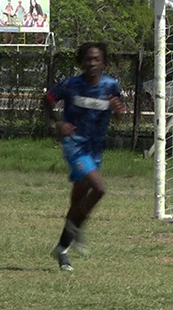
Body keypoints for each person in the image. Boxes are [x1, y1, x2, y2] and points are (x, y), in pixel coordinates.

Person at [46, 42, 124, 272]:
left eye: (96, 59)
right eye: (88, 59)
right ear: (81, 62)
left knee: (76, 205)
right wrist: (58, 122)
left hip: (95, 149)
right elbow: (48, 99)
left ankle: (62, 249)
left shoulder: (111, 86)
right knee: (98, 189)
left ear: (104, 62)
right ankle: (79, 228)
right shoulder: (71, 84)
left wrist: (116, 108)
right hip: (74, 145)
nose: (92, 63)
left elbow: (120, 116)